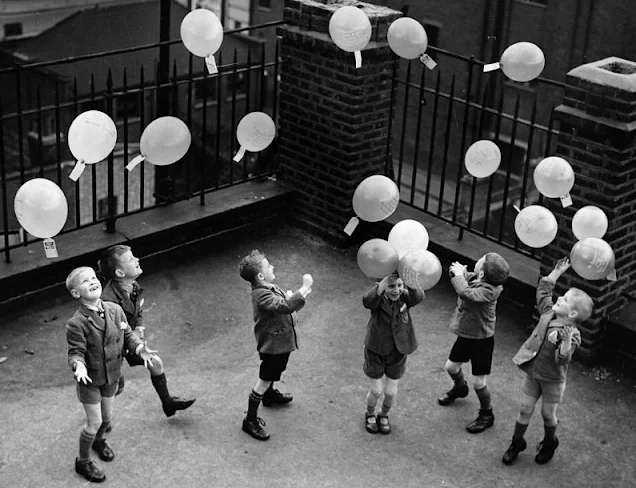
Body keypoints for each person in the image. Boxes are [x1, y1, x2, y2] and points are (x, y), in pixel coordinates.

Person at [66, 266, 159, 483]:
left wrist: (138, 348)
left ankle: (99, 441)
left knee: (107, 419)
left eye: (93, 278)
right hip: (91, 380)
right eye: (85, 281)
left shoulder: (114, 309)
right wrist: (78, 365)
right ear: (76, 293)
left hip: (112, 375)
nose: (92, 282)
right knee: (94, 421)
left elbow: (127, 335)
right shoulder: (76, 323)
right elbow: (75, 351)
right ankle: (83, 461)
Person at [502, 257, 593, 465]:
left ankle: (550, 442)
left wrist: (566, 341)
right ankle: (517, 442)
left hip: (552, 379)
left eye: (565, 299)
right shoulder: (548, 313)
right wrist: (556, 272)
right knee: (525, 409)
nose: (559, 298)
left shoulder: (573, 334)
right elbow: (543, 291)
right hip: (534, 374)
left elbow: (563, 360)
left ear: (572, 313)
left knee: (547, 414)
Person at [98, 245, 195, 418]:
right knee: (114, 388)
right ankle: (97, 415)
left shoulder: (133, 286)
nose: (137, 260)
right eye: (130, 259)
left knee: (155, 363)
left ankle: (168, 404)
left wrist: (139, 328)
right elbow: (109, 333)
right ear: (120, 273)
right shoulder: (109, 301)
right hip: (111, 349)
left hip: (129, 341)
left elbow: (138, 309)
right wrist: (133, 340)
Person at [238, 249, 313, 441]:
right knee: (264, 379)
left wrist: (291, 297)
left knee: (277, 370)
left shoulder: (267, 287)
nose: (273, 266)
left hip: (279, 343)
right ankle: (250, 419)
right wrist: (303, 289)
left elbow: (283, 303)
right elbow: (284, 306)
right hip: (273, 345)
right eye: (268, 265)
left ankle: (269, 396)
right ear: (261, 275)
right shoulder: (261, 294)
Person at [437, 252, 510, 434]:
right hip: (467, 334)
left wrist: (459, 276)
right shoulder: (478, 278)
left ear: (483, 274)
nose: (476, 262)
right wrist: (458, 271)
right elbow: (467, 278)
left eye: (480, 261)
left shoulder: (490, 291)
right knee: (451, 367)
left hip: (482, 341)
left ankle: (487, 414)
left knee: (479, 383)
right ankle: (460, 388)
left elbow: (466, 292)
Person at [362, 271, 424, 435]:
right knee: (376, 391)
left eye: (399, 285)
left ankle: (383, 415)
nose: (396, 290)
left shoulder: (405, 297)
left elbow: (418, 297)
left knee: (390, 392)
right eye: (391, 286)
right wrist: (379, 288)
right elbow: (367, 301)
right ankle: (369, 413)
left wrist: (412, 284)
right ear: (382, 286)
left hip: (398, 350)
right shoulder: (378, 299)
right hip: (376, 349)